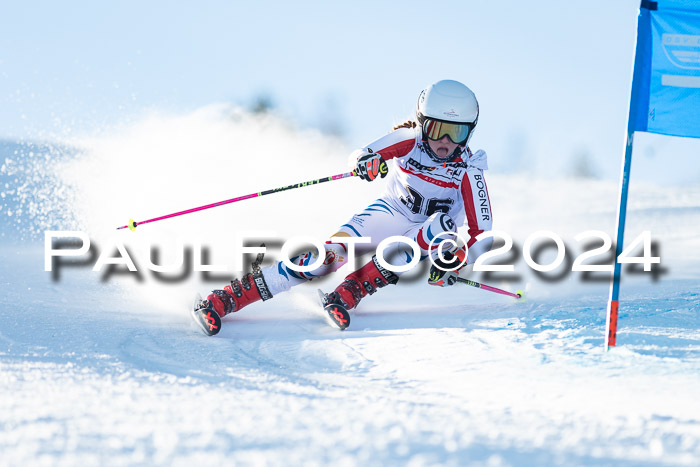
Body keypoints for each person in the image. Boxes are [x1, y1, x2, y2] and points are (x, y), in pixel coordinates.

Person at [192, 79, 493, 335]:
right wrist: (367, 163)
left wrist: (461, 261)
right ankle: (224, 299)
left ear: (470, 132)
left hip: (425, 235)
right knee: (324, 259)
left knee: (440, 227)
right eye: (437, 128)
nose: (444, 141)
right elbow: (361, 154)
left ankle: (351, 291)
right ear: (421, 122)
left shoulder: (470, 168)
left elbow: (484, 233)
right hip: (389, 213)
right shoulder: (409, 139)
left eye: (456, 133)